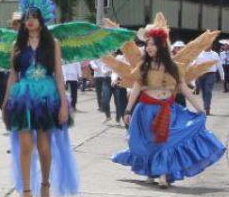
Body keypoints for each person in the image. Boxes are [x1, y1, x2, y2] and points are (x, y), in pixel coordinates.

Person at [112, 21, 225, 187]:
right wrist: (128, 110)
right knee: (149, 142)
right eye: (147, 44)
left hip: (168, 110)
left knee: (165, 142)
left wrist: (201, 109)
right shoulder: (143, 66)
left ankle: (163, 175)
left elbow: (185, 90)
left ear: (162, 46)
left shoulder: (175, 67)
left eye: (152, 44)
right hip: (145, 110)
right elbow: (136, 88)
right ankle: (150, 171)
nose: (148, 48)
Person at [1, 0, 78, 197]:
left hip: (46, 98)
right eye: (27, 17)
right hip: (22, 98)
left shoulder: (52, 43)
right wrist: (6, 103)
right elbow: (12, 76)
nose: (30, 20)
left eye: (34, 16)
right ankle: (27, 193)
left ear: (41, 20)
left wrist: (64, 105)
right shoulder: (17, 47)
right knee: (25, 145)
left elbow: (59, 76)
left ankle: (45, 185)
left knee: (44, 147)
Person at [193, 46, 220, 114]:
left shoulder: (215, 54)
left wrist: (222, 76)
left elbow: (219, 65)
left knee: (208, 90)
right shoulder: (199, 54)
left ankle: (207, 107)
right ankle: (206, 105)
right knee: (204, 91)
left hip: (211, 74)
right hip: (201, 74)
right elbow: (194, 63)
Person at [90, 56, 113, 122]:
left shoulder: (106, 54)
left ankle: (104, 107)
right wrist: (95, 67)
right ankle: (100, 106)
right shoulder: (94, 54)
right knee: (98, 92)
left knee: (104, 93)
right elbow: (91, 62)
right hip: (97, 76)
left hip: (105, 76)